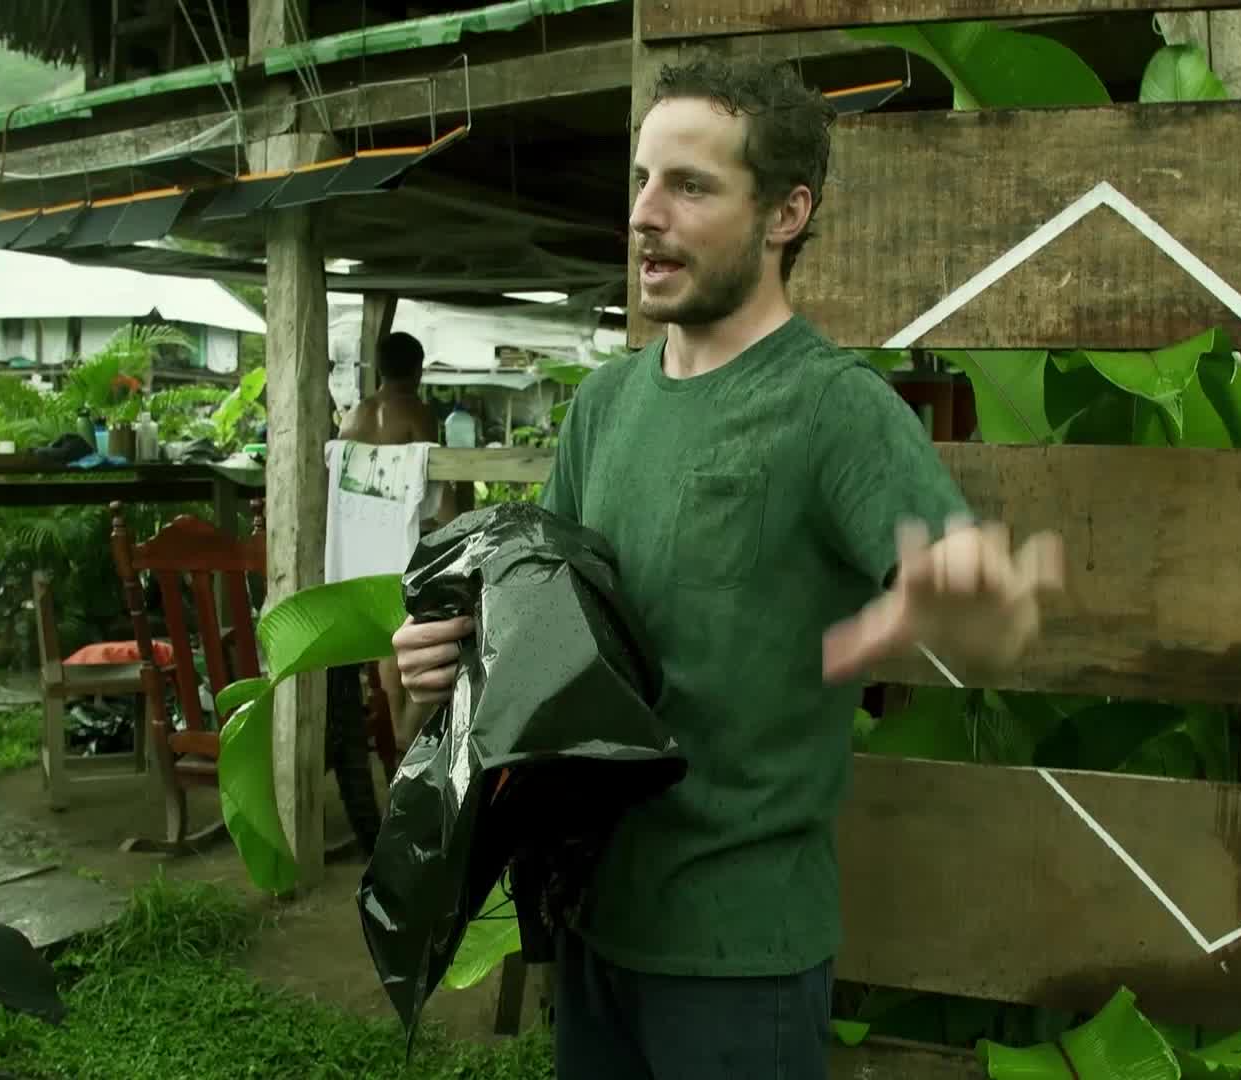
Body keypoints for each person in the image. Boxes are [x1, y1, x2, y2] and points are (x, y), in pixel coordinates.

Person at [391, 54, 1065, 1079]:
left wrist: (973, 603)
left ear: (785, 213)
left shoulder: (835, 410)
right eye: (643, 181)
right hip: (592, 920)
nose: (645, 215)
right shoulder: (607, 407)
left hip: (737, 953)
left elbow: (993, 616)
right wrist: (451, 655)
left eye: (691, 186)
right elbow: (543, 634)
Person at [338, 329, 448, 753]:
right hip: (402, 555)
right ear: (418, 370)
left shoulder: (353, 417)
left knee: (393, 628)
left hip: (357, 552)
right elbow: (441, 503)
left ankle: (399, 727)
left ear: (380, 369)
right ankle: (407, 732)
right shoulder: (418, 414)